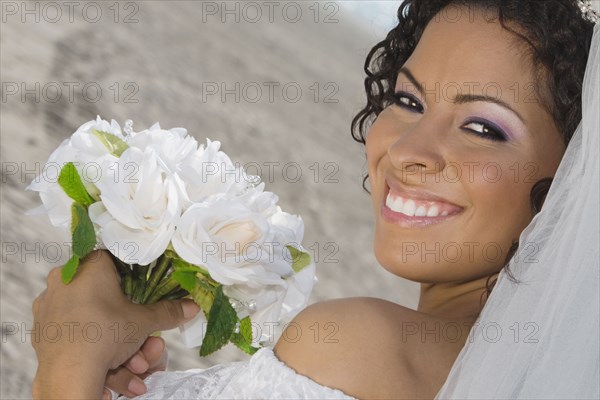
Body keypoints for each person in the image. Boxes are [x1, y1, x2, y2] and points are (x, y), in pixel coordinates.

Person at [31, 0, 599, 399]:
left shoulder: (361, 351)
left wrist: (67, 361)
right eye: (409, 99)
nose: (405, 151)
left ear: (575, 178)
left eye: (482, 129)